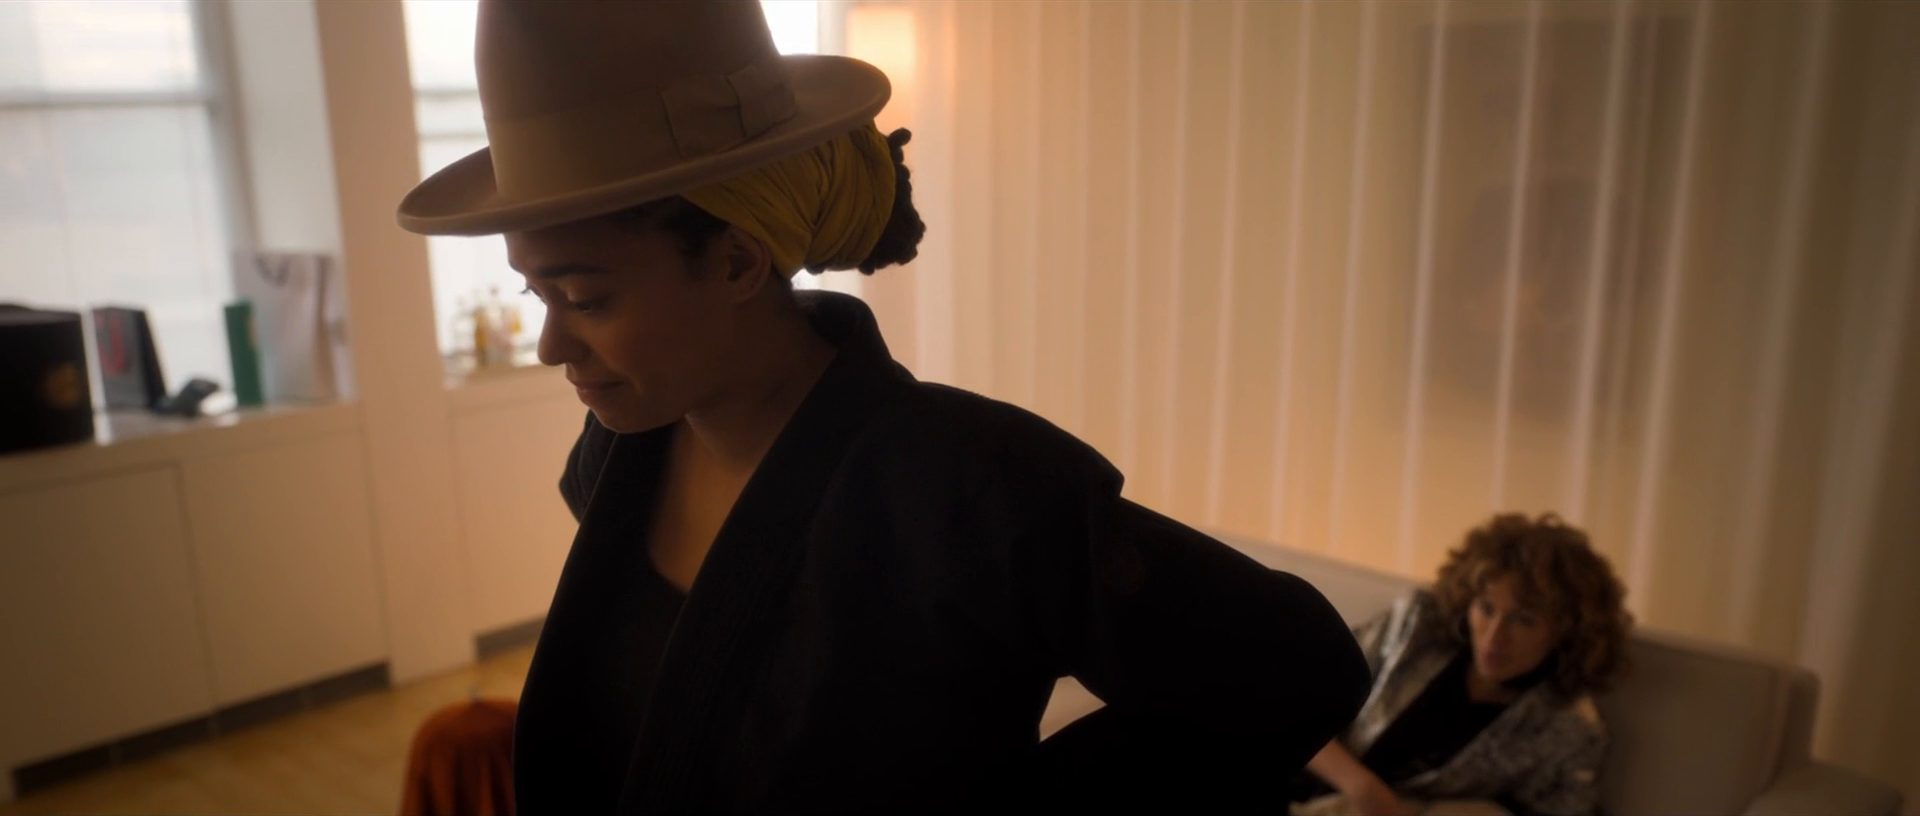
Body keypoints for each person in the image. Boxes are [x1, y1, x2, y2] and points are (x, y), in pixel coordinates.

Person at [394, 2, 1369, 812]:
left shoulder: (972, 485)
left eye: (585, 297)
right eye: (537, 293)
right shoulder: (618, 456)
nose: (552, 345)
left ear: (735, 261)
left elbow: (1296, 669)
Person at [1287, 513, 1634, 816]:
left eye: (1523, 620)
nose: (1494, 637)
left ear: (1564, 631)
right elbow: (1295, 706)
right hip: (1287, 783)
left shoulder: (1570, 727)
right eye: (1486, 608)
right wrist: (1363, 787)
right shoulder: (1418, 626)